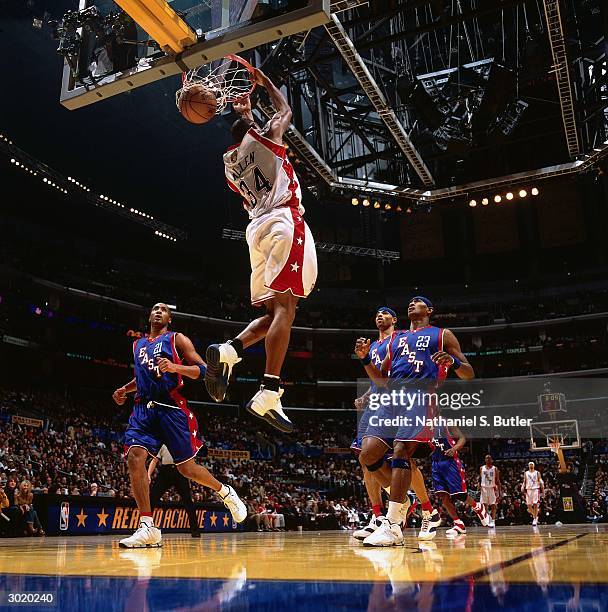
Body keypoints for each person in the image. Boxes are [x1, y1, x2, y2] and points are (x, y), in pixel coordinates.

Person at [204, 67, 318, 434]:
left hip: (256, 230)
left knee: (275, 313)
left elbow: (249, 143)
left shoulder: (229, 165)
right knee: (287, 308)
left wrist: (245, 114)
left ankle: (230, 351)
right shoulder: (268, 137)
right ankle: (269, 389)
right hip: (284, 222)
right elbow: (284, 112)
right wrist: (265, 82)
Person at [112, 303, 246, 548]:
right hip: (143, 409)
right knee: (135, 457)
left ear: (169, 319)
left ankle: (225, 492)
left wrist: (175, 367)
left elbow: (204, 371)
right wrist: (125, 389)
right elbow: (141, 377)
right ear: (150, 315)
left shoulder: (177, 339)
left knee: (187, 469)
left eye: (163, 309)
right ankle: (147, 526)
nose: (158, 311)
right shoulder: (138, 345)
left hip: (171, 408)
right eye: (155, 308)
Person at [355, 296, 474, 546]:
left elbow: (468, 373)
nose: (412, 303)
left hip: (421, 397)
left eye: (418, 302)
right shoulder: (396, 338)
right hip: (391, 398)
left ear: (429, 310)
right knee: (367, 456)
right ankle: (403, 501)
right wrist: (366, 359)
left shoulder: (442, 334)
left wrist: (452, 363)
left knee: (401, 449)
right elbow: (380, 380)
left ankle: (393, 524)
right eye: (410, 302)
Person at [431, 424, 489, 536]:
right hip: (435, 463)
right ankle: (458, 524)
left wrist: (454, 449)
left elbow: (462, 438)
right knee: (443, 496)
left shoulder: (446, 423)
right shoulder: (423, 425)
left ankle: (478, 507)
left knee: (459, 495)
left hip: (450, 462)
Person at [147, 445, 201, 538]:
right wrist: (148, 475)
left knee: (188, 501)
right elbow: (154, 460)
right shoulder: (162, 444)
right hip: (165, 472)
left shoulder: (180, 441)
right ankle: (146, 528)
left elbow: (189, 461)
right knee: (152, 499)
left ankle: (195, 530)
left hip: (180, 470)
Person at [480, 455, 500, 528]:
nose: (488, 459)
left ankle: (493, 520)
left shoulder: (495, 469)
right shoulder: (481, 468)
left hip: (492, 488)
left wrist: (499, 492)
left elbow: (497, 480)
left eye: (489, 458)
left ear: (491, 460)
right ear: (485, 460)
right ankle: (488, 520)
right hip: (484, 488)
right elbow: (481, 479)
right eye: (486, 458)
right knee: (484, 505)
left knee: (493, 505)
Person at [522, 461, 544, 526]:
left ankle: (534, 519)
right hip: (528, 490)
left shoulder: (537, 472)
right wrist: (523, 486)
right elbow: (524, 481)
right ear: (528, 466)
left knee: (535, 504)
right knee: (528, 505)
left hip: (535, 489)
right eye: (530, 464)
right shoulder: (526, 473)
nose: (531, 465)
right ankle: (535, 516)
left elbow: (540, 480)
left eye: (532, 464)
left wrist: (542, 489)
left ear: (534, 465)